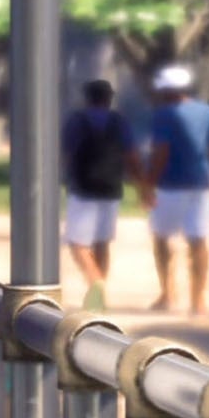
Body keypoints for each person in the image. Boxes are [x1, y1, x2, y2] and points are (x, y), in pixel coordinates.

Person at [140, 65, 209, 315]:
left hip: (170, 184)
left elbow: (161, 152)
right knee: (198, 240)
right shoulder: (206, 111)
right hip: (200, 182)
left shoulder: (164, 114)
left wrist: (148, 183)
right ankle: (198, 300)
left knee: (162, 238)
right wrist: (204, 166)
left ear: (167, 91)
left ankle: (167, 293)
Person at [60, 78, 141, 311]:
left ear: (87, 98)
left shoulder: (76, 121)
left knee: (77, 243)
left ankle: (96, 283)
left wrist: (66, 176)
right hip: (111, 188)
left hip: (83, 188)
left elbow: (67, 154)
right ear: (109, 98)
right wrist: (141, 184)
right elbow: (132, 155)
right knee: (102, 242)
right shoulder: (119, 122)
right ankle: (100, 292)